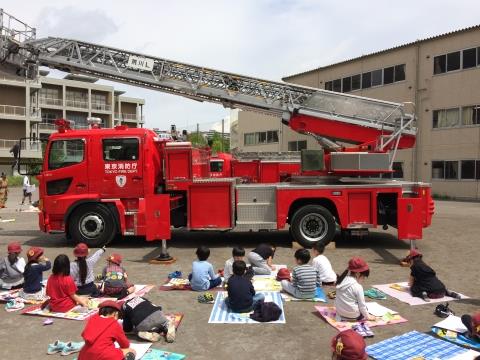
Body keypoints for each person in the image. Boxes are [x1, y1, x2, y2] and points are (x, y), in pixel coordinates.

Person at [335, 257, 375, 321]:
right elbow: (362, 306)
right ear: (358, 274)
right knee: (365, 308)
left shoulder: (342, 280)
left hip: (340, 312)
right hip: (353, 316)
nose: (363, 280)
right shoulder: (358, 286)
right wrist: (368, 317)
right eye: (363, 277)